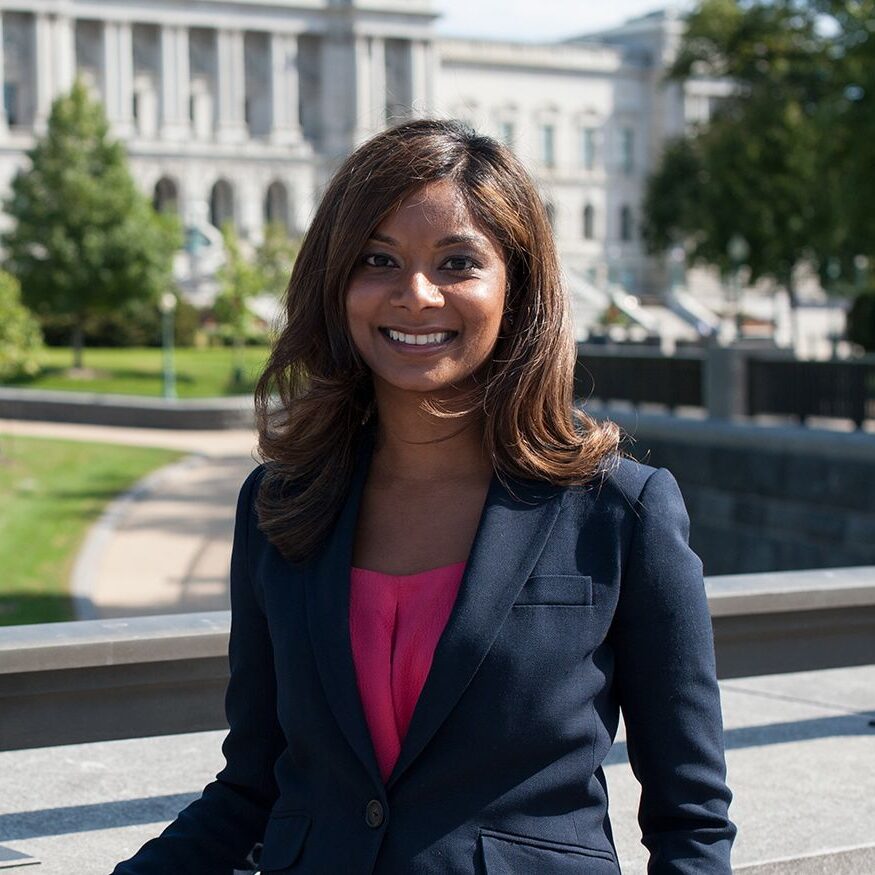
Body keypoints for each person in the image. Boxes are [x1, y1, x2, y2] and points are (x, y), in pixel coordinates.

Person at [113, 119, 735, 874]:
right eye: (378, 259)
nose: (415, 294)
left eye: (456, 262)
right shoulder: (280, 507)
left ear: (516, 286)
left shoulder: (619, 513)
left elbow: (691, 822)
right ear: (336, 281)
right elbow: (254, 787)